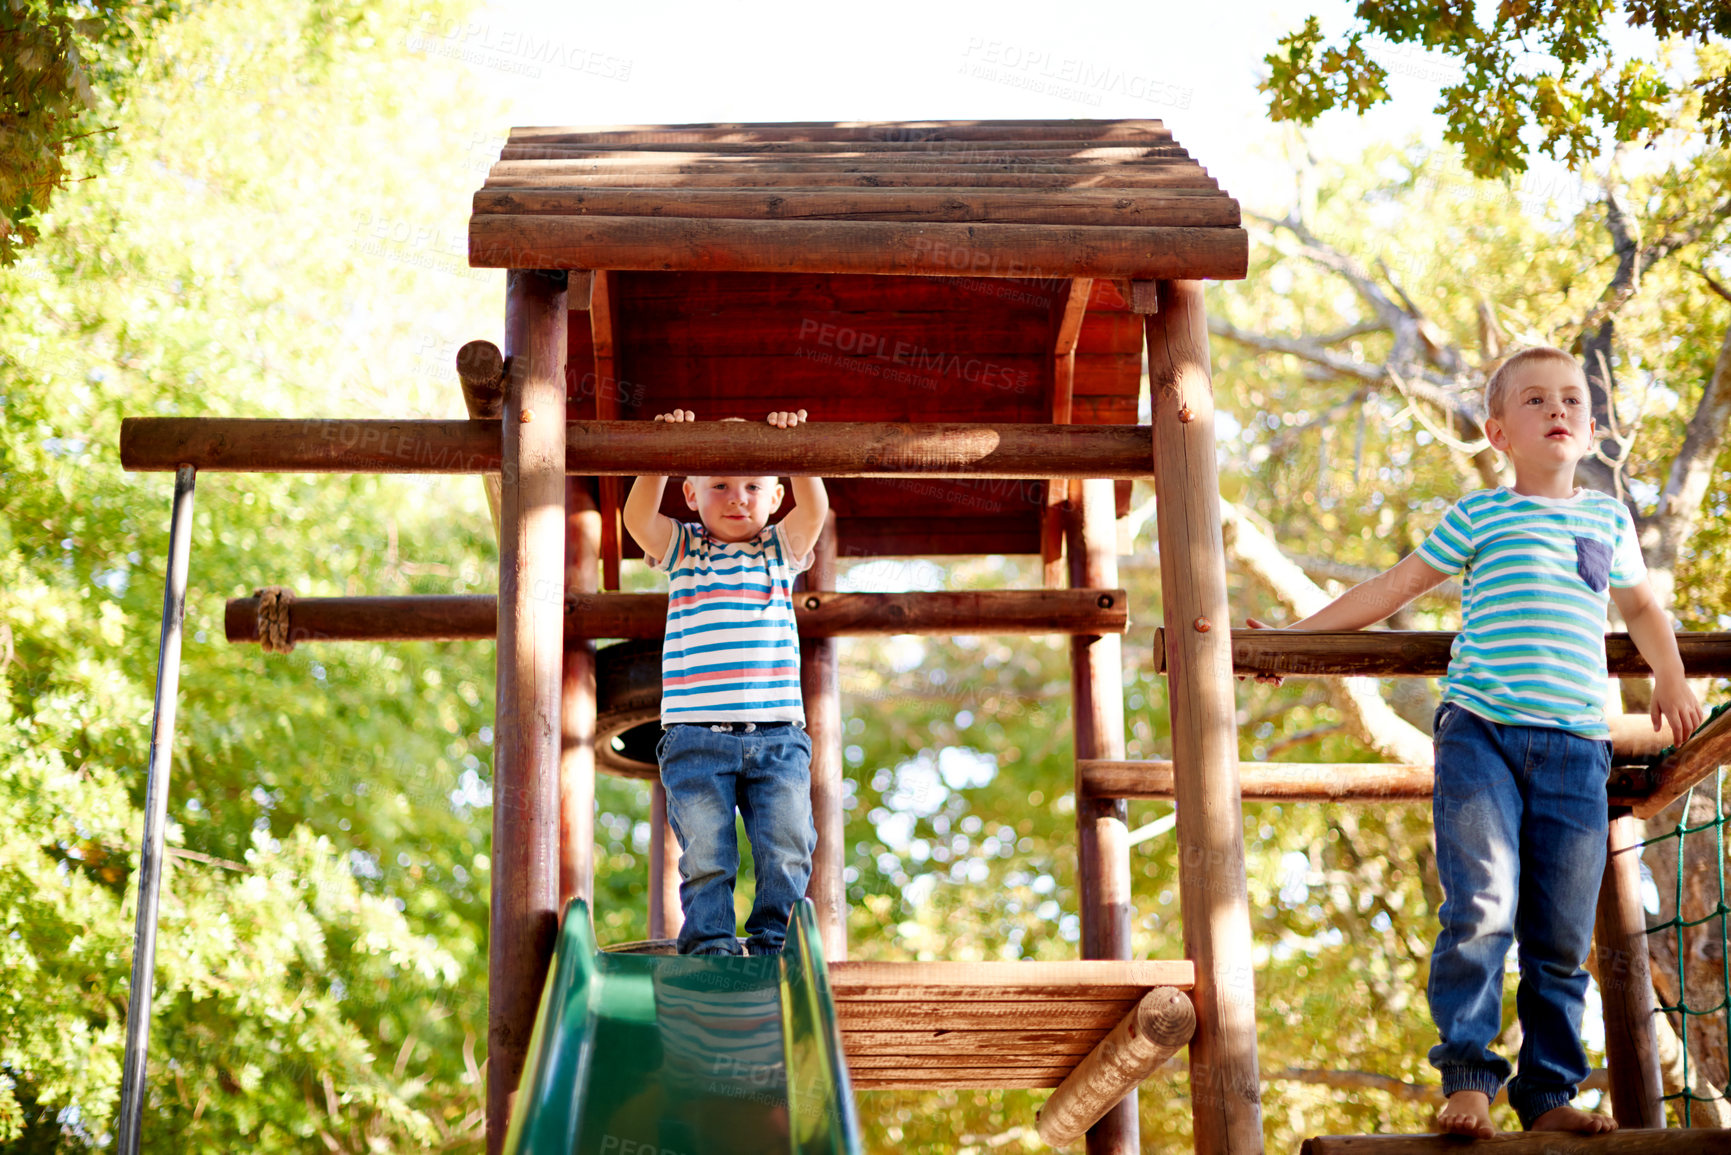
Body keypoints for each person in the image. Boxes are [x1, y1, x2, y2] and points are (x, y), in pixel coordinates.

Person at [1249, 346, 1704, 1137]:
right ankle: (1466, 1079)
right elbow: (1388, 589)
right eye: (1534, 401)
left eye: (1569, 399)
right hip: (1480, 735)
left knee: (1560, 934)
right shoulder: (1480, 516)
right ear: (1498, 431)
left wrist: (1668, 673)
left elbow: (1640, 610)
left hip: (1574, 745)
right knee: (1481, 906)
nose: (1556, 409)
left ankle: (1548, 1094)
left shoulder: (1605, 517)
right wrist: (1291, 641)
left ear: (1591, 427)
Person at [622, 408, 828, 957]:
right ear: (690, 496)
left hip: (777, 735)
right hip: (696, 737)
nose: (737, 498)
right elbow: (638, 515)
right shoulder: (685, 549)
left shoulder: (778, 551)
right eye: (719, 486)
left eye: (752, 487)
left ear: (775, 496)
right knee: (706, 853)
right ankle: (711, 944)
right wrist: (664, 450)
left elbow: (816, 509)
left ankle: (774, 945)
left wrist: (796, 449)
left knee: (786, 844)